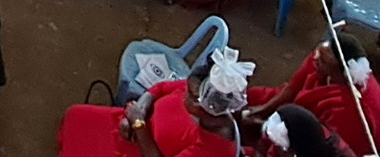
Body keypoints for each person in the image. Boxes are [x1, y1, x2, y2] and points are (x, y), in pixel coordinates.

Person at [56, 50, 253, 157]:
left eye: (192, 95)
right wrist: (138, 110)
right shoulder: (195, 94)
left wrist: (139, 125)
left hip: (141, 148)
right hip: (132, 129)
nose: (184, 94)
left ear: (212, 108)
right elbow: (159, 88)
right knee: (75, 115)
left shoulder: (214, 149)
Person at [241, 34, 380, 157]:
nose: (315, 59)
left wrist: (266, 127)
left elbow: (317, 144)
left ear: (341, 72)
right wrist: (262, 110)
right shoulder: (322, 59)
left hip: (313, 138)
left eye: (323, 61)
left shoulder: (349, 113)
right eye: (319, 54)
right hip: (299, 112)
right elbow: (294, 87)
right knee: (251, 96)